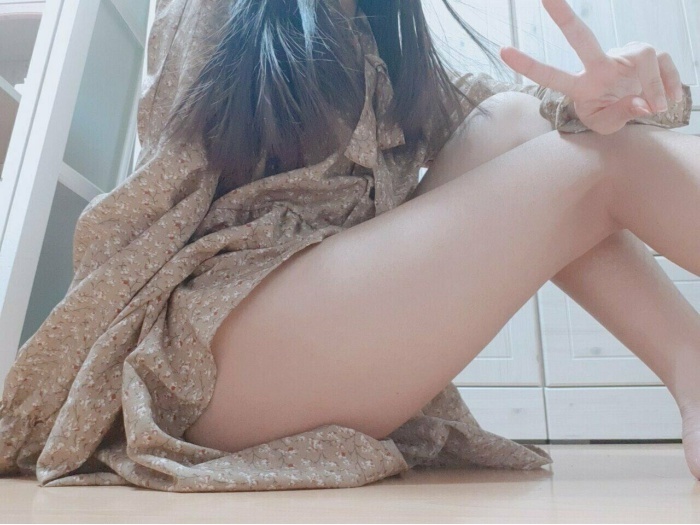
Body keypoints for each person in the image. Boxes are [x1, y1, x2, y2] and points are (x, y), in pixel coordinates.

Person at [0, 0, 696, 492]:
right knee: (593, 167)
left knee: (528, 122)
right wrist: (62, 393)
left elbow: (528, 122)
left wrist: (614, 100)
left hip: (313, 317)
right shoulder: (218, 11)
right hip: (217, 349)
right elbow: (154, 203)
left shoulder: (381, 32)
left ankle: (690, 367)